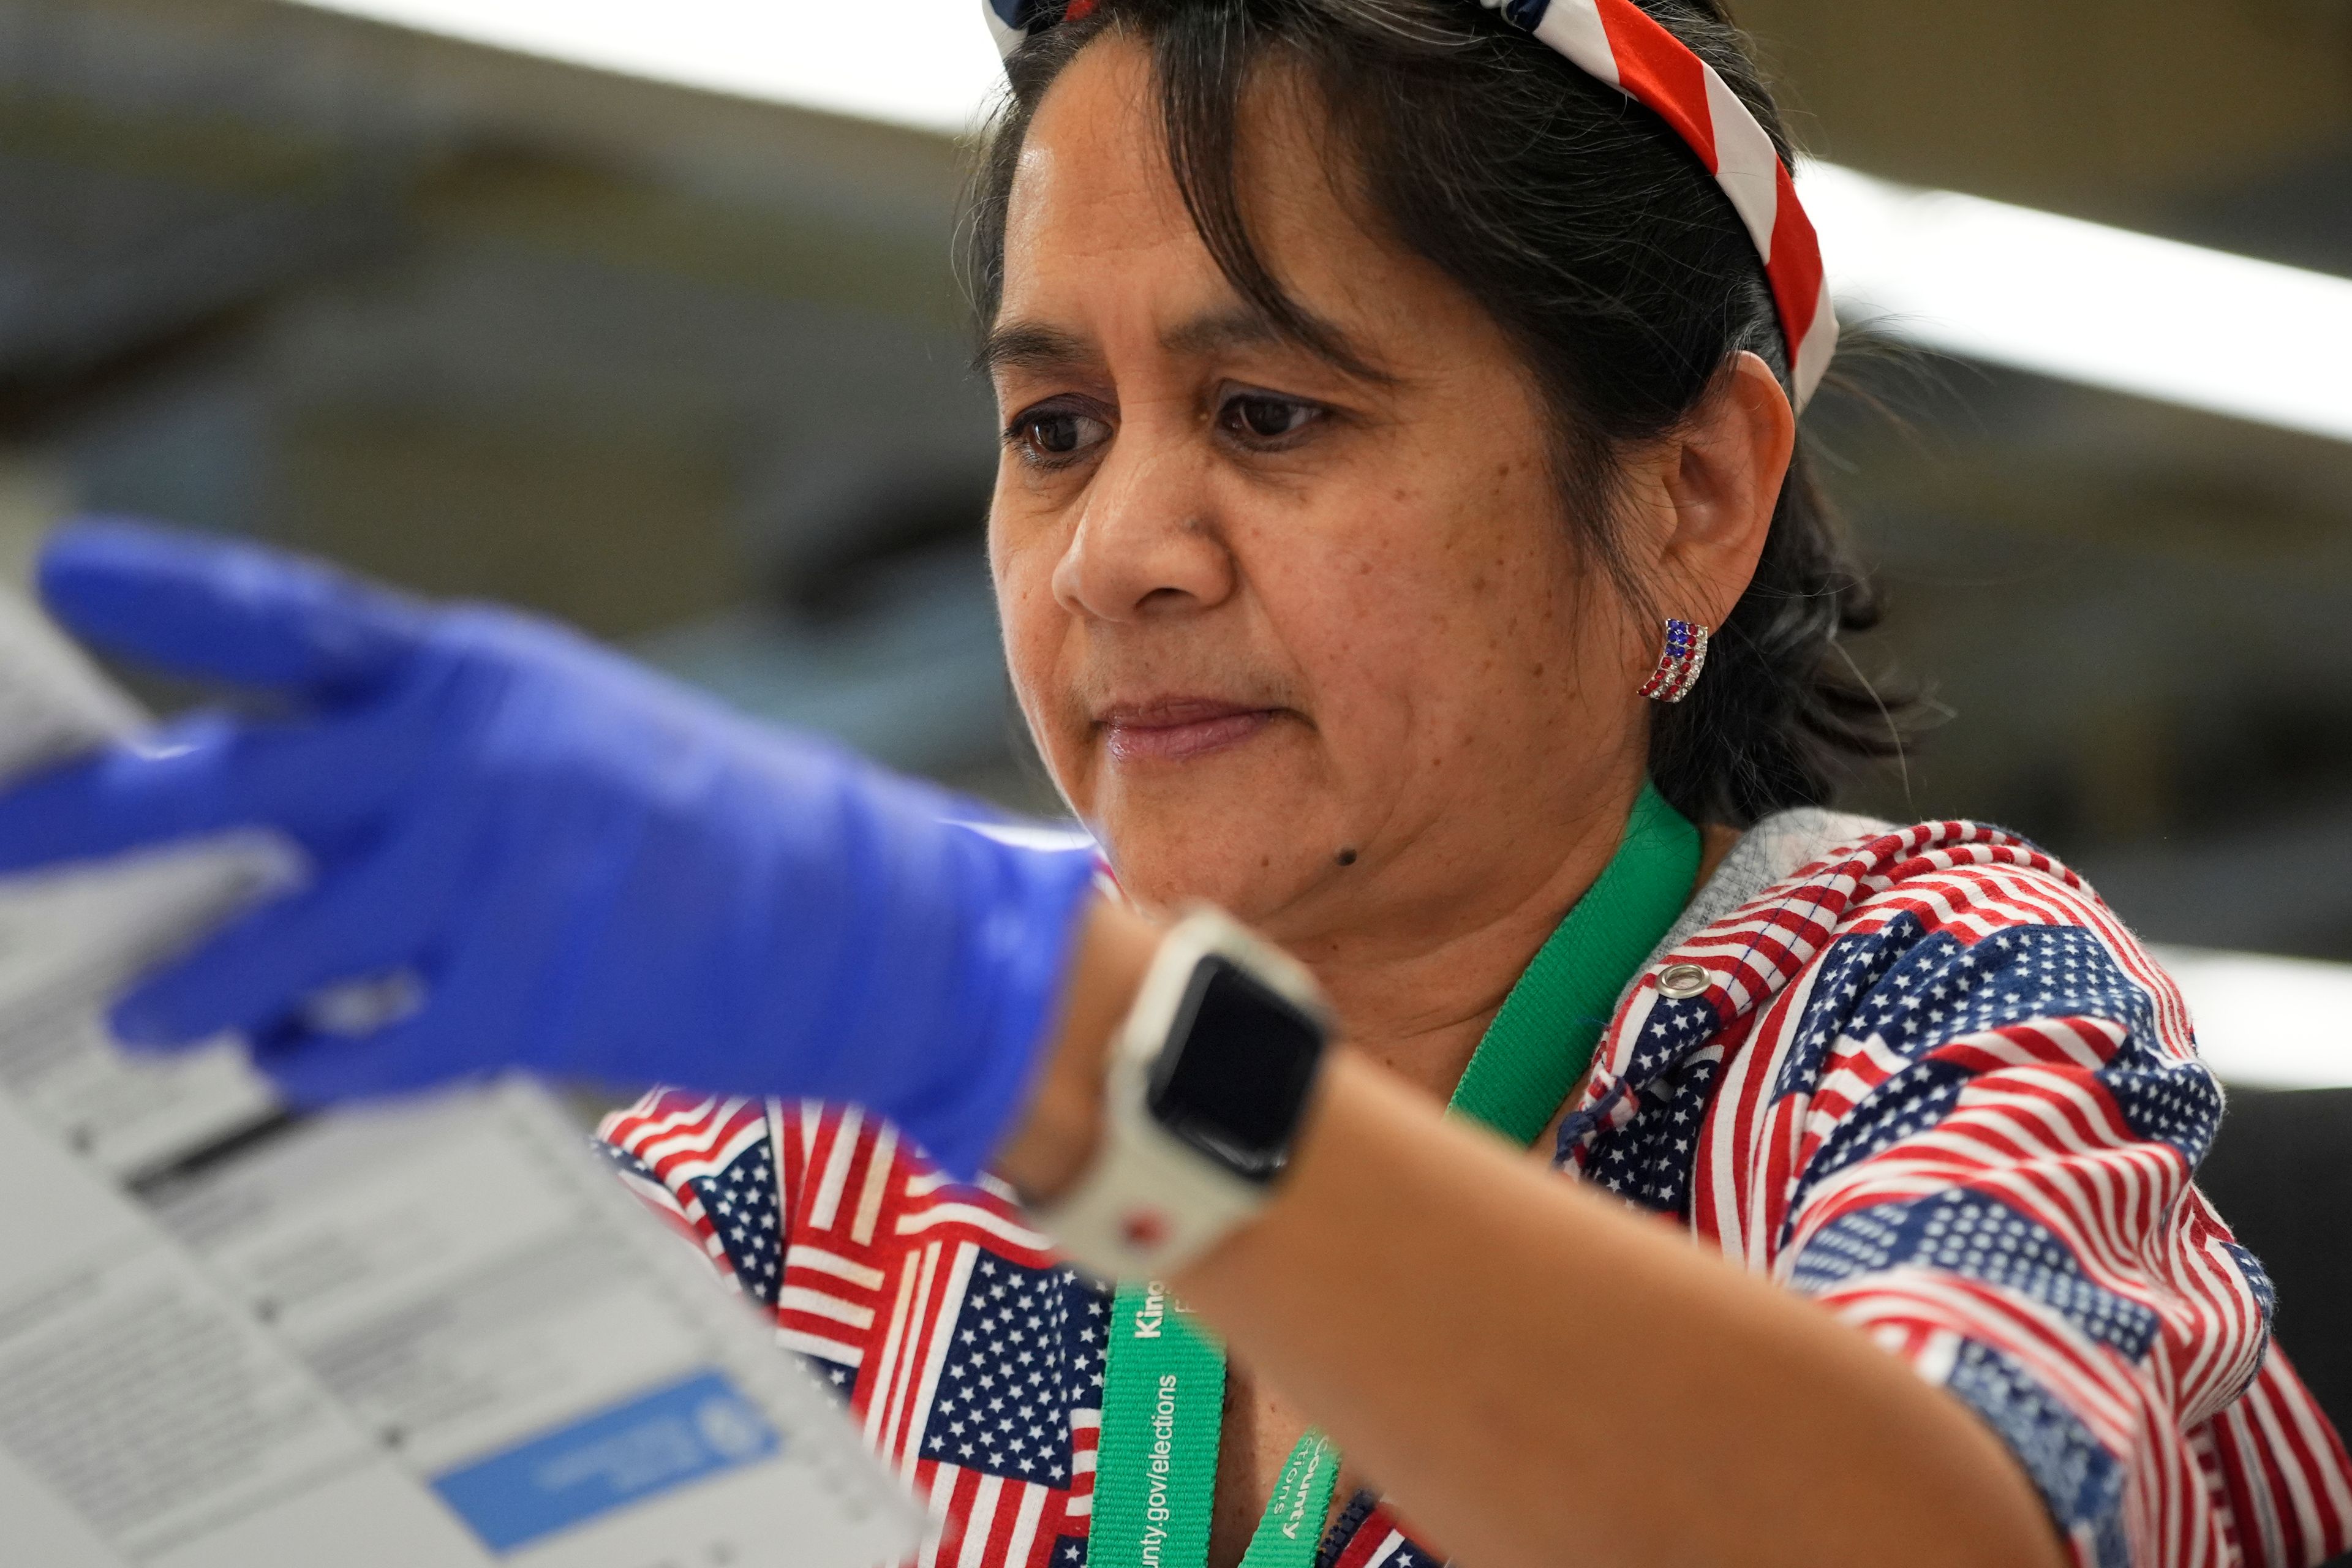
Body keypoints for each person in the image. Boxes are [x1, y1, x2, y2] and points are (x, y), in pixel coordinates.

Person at [1, 0, 2344, 1565]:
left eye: (1272, 414)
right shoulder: (807, 1191)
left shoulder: (1899, 1010)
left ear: (1692, 495)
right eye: (1051, 428)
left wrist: (1043, 1034)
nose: (1118, 554)